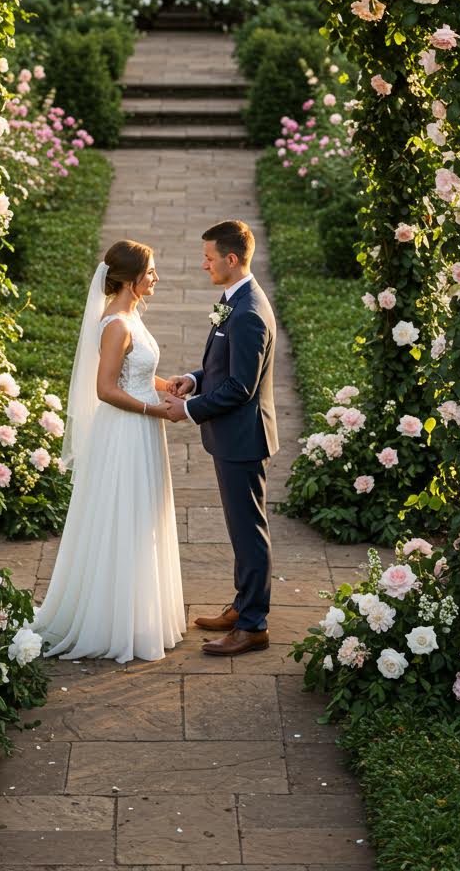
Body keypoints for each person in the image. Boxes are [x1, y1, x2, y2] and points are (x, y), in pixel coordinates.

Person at [32, 239, 186, 663]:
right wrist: (153, 410)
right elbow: (105, 388)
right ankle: (113, 620)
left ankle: (136, 612)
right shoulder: (116, 323)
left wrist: (164, 382)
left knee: (140, 515)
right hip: (124, 433)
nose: (156, 278)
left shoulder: (131, 315)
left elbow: (136, 373)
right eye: (151, 271)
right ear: (131, 279)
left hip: (140, 429)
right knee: (124, 515)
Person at [165, 219, 278, 657]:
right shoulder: (236, 298)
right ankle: (242, 605)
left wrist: (188, 410)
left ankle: (252, 626)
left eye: (209, 258)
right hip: (234, 438)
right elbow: (223, 370)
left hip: (243, 440)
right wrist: (193, 380)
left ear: (232, 259)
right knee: (240, 528)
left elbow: (240, 388)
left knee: (249, 533)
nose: (203, 264)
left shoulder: (248, 312)